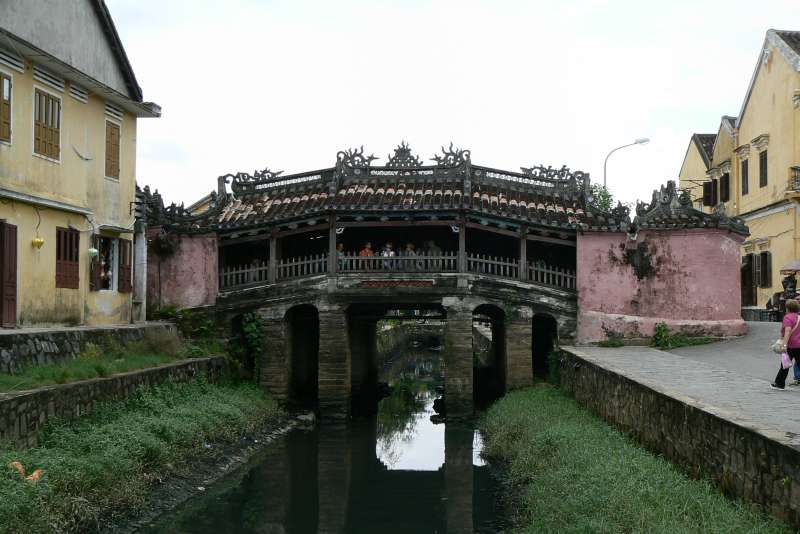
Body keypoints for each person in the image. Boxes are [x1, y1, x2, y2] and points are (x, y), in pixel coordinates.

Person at [771, 299, 800, 390]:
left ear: (788, 308)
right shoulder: (799, 317)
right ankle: (779, 383)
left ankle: (780, 384)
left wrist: (784, 345)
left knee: (785, 365)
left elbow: (787, 331)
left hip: (791, 346)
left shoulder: (787, 317)